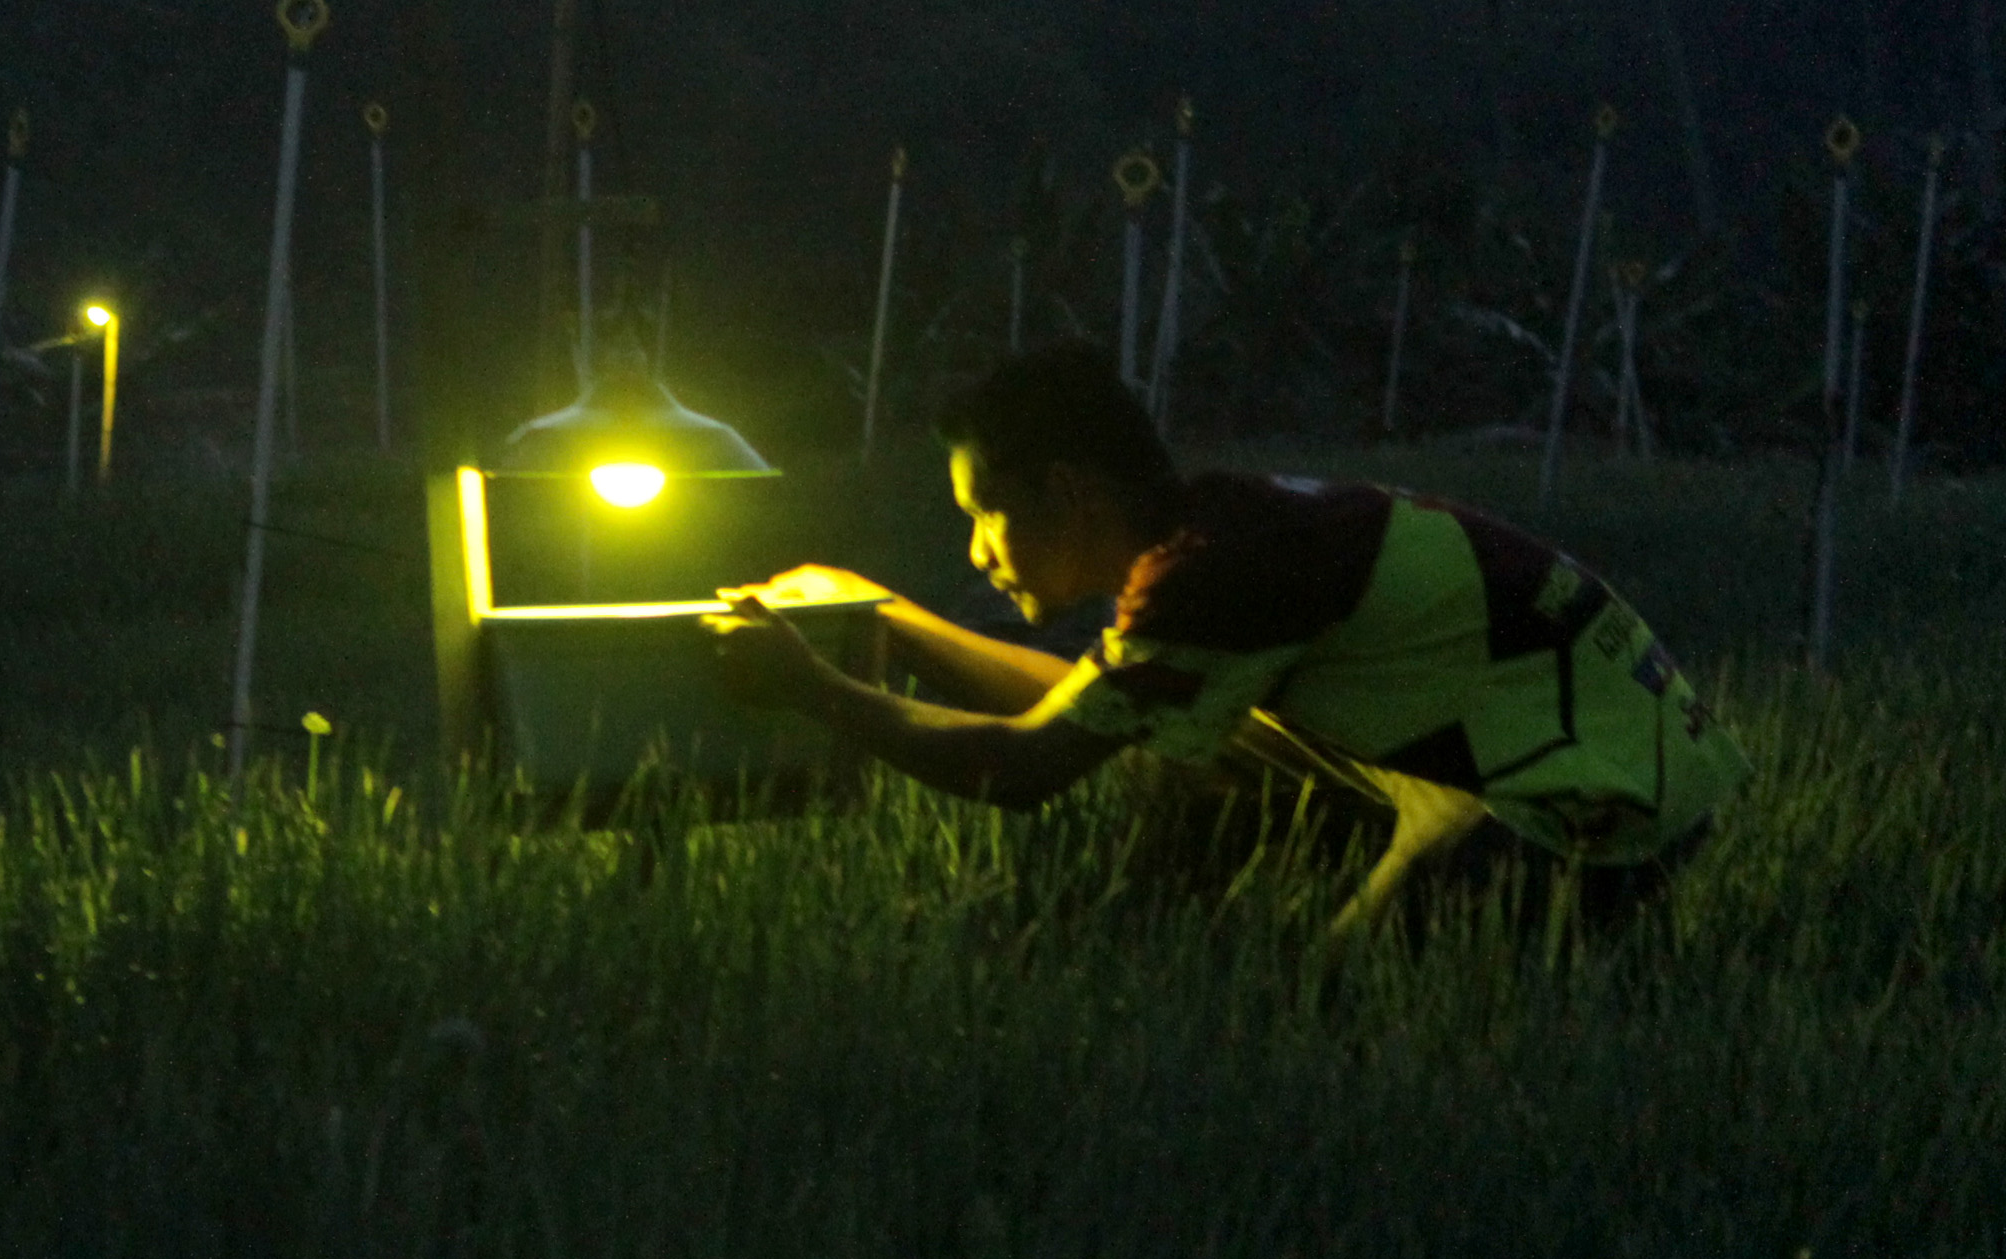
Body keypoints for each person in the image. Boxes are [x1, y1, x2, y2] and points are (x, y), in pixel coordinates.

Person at [703, 343, 1744, 935]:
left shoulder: (1217, 571)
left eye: (985, 514)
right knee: (1186, 759)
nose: (978, 551)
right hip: (1542, 766)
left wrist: (815, 689)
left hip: (1574, 796)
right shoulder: (1213, 541)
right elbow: (1080, 707)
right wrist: (878, 609)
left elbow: (1026, 765)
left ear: (1066, 493)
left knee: (1345, 1022)